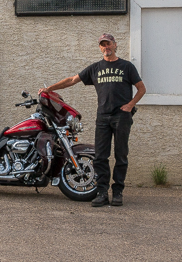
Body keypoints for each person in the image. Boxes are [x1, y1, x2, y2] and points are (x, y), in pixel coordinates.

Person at [40, 33, 146, 207]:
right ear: (100, 47)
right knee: (100, 157)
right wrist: (49, 89)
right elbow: (72, 80)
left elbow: (141, 88)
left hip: (122, 117)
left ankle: (117, 192)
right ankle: (102, 193)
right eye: (103, 45)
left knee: (121, 155)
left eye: (109, 44)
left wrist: (130, 104)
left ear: (115, 45)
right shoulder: (96, 68)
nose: (106, 47)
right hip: (103, 116)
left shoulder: (127, 67)